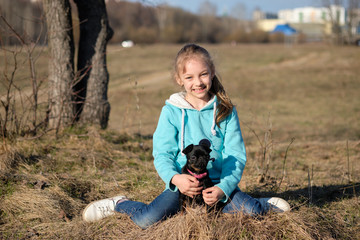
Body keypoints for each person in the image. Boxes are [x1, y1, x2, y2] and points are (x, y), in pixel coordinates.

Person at [82, 43, 290, 229]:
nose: (197, 82)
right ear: (179, 79)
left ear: (212, 72)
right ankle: (120, 204)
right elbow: (162, 153)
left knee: (252, 212)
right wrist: (176, 179)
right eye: (189, 77)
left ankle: (262, 204)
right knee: (146, 220)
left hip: (217, 185)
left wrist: (222, 188)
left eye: (203, 74)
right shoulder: (171, 111)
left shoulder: (225, 110)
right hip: (183, 186)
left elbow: (235, 155)